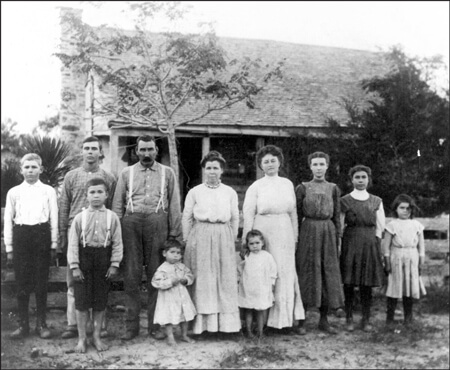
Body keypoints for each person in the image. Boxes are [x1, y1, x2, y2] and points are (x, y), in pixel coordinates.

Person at [112, 135, 182, 341]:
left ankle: (154, 326)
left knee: (156, 276)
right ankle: (131, 327)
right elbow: (117, 205)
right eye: (142, 150)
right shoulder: (126, 173)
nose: (146, 154)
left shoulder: (167, 173)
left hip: (157, 223)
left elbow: (175, 206)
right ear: (136, 151)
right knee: (131, 277)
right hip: (131, 224)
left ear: (156, 151)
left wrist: (174, 234)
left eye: (150, 149)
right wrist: (116, 234)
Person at [59, 136, 116, 340]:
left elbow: (113, 207)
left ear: (100, 152)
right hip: (76, 234)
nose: (90, 152)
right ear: (82, 152)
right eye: (86, 148)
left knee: (100, 282)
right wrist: (62, 235)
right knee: (74, 281)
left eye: (94, 148)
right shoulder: (71, 176)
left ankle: (99, 327)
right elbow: (64, 206)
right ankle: (73, 324)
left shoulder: (108, 178)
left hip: (100, 236)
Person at [243, 145, 304, 332]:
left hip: (284, 231)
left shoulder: (287, 184)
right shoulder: (256, 186)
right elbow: (248, 213)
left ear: (279, 163)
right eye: (266, 161)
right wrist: (248, 238)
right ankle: (264, 321)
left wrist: (295, 237)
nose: (270, 164)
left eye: (273, 160)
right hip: (264, 230)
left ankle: (285, 321)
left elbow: (293, 212)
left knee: (284, 273)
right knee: (265, 272)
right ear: (261, 165)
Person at [182, 151, 241, 335]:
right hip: (201, 235)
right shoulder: (195, 192)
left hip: (223, 235)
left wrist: (232, 239)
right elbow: (187, 217)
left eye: (216, 168)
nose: (212, 171)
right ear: (203, 170)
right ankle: (201, 326)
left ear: (222, 170)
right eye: (208, 168)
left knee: (224, 279)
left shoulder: (229, 192)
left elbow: (235, 217)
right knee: (203, 279)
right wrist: (187, 240)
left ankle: (225, 327)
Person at [4, 153, 58, 339]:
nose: (30, 170)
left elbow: (54, 219)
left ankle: (41, 324)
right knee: (22, 283)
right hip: (21, 236)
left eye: (34, 167)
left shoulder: (48, 191)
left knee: (41, 281)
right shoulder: (14, 192)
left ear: (41, 169)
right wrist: (9, 248)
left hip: (41, 235)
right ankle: (23, 324)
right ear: (21, 170)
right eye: (26, 167)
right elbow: (7, 220)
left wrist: (53, 244)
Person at [67, 178, 123, 353]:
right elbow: (73, 244)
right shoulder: (79, 218)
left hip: (103, 259)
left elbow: (118, 242)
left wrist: (114, 264)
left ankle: (97, 337)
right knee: (82, 302)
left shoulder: (112, 217)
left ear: (106, 195)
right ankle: (82, 339)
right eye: (92, 192)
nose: (96, 196)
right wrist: (75, 266)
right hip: (83, 259)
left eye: (100, 192)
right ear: (86, 195)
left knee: (100, 302)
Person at [295, 151, 343, 335]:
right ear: (310, 167)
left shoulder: (333, 188)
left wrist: (337, 237)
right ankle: (302, 320)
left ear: (327, 166)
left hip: (328, 232)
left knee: (326, 272)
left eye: (322, 164)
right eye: (315, 164)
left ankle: (324, 320)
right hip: (308, 231)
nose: (318, 168)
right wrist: (297, 238)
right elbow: (297, 216)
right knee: (307, 272)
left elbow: (337, 215)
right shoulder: (303, 187)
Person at [340, 165, 385, 332]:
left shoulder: (376, 201)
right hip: (350, 242)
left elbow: (380, 227)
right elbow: (341, 225)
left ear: (368, 180)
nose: (360, 180)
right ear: (352, 180)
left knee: (367, 282)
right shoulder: (344, 200)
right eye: (357, 177)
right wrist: (341, 245)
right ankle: (349, 318)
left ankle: (366, 319)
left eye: (363, 177)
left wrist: (377, 245)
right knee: (349, 282)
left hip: (369, 243)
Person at [383, 194, 426, 328]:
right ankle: (389, 318)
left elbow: (421, 246)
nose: (405, 211)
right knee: (394, 287)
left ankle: (408, 317)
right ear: (396, 209)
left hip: (412, 256)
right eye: (402, 208)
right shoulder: (392, 225)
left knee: (409, 287)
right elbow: (386, 247)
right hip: (397, 257)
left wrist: (421, 261)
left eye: (408, 208)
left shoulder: (417, 225)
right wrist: (387, 262)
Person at [151, 239, 196, 346]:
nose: (176, 255)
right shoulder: (162, 269)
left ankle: (184, 335)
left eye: (178, 253)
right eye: (172, 252)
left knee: (185, 315)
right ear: (164, 253)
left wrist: (186, 280)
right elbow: (156, 283)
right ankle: (170, 337)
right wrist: (170, 282)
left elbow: (190, 275)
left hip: (182, 296)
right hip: (169, 298)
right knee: (169, 317)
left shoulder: (182, 267)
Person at [238, 230, 277, 340]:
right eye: (251, 244)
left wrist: (271, 285)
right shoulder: (247, 256)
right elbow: (240, 269)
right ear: (247, 245)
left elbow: (273, 271)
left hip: (262, 287)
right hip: (249, 288)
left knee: (260, 310)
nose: (254, 246)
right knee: (249, 310)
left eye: (257, 243)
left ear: (262, 243)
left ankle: (260, 331)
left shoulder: (267, 256)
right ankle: (249, 331)